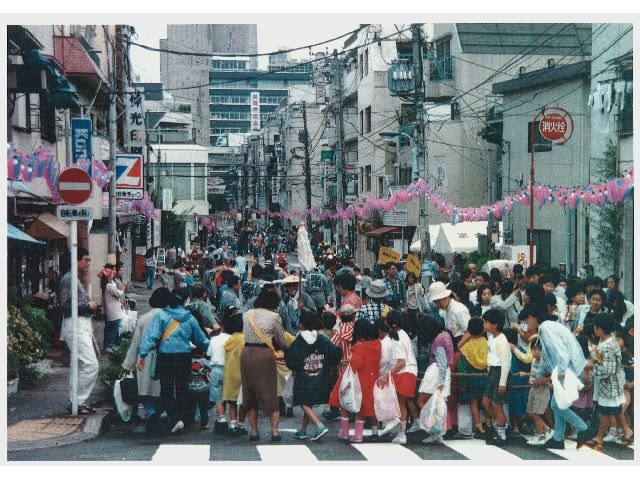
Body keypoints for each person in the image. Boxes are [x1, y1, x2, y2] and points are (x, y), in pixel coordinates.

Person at [138, 288, 210, 434]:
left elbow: (151, 337)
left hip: (166, 357)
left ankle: (176, 418)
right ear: (185, 300)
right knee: (183, 389)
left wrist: (142, 354)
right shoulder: (190, 318)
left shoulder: (162, 316)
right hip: (184, 356)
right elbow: (201, 340)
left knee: (166, 390)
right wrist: (212, 350)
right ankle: (183, 419)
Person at [241, 287, 289, 442]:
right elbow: (281, 341)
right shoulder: (274, 317)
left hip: (247, 354)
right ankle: (274, 431)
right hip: (264, 355)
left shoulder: (246, 315)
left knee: (249, 393)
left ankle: (254, 431)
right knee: (270, 392)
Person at [285, 310, 341, 441]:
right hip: (321, 377)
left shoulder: (299, 340)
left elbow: (291, 358)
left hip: (303, 377)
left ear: (302, 325)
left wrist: (295, 368)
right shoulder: (322, 339)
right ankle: (302, 430)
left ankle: (319, 425)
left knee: (302, 400)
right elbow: (336, 352)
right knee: (308, 403)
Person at [122, 288, 172, 427]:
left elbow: (135, 345)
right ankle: (162, 415)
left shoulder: (143, 319)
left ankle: (151, 414)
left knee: (146, 391)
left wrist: (127, 365)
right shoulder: (170, 318)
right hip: (166, 358)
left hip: (145, 359)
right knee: (163, 390)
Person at [59, 247, 99, 415]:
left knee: (78, 366)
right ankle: (78, 401)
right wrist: (88, 306)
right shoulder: (69, 279)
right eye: (85, 260)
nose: (88, 263)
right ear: (76, 260)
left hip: (79, 324)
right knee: (91, 365)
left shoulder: (72, 278)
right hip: (76, 325)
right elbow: (66, 304)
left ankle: (76, 402)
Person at [584, 314, 634, 449]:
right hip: (613, 384)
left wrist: (592, 368)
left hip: (609, 385)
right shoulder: (609, 341)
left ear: (600, 328)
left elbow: (608, 370)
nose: (594, 329)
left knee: (605, 412)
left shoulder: (607, 346)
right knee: (616, 409)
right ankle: (627, 431)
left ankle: (599, 437)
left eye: (595, 327)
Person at [381, 311, 419, 445]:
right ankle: (401, 431)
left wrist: (387, 375)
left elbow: (401, 362)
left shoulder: (397, 338)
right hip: (409, 371)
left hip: (403, 371)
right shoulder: (402, 334)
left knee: (399, 403)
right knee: (402, 403)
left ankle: (400, 430)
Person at [415, 314, 454, 445]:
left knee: (422, 401)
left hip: (437, 371)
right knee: (436, 404)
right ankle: (437, 431)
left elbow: (442, 361)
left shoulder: (438, 339)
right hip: (443, 372)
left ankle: (434, 430)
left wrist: (440, 382)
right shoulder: (446, 334)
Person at [344, 319, 382, 443]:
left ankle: (358, 435)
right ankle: (375, 431)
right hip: (375, 376)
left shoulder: (359, 347)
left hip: (361, 379)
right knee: (374, 405)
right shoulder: (377, 344)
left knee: (360, 407)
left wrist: (350, 358)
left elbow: (356, 364)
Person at [481, 309, 512, 445]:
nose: (484, 325)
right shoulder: (491, 338)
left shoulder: (502, 340)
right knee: (486, 402)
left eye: (486, 322)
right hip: (493, 371)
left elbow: (506, 362)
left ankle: (502, 434)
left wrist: (502, 383)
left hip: (500, 373)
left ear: (495, 324)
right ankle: (500, 425)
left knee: (497, 404)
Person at [456, 316, 489, 438]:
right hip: (484, 377)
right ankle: (489, 422)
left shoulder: (467, 346)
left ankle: (478, 426)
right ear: (483, 330)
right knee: (485, 402)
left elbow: (459, 349)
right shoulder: (486, 343)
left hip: (471, 378)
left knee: (474, 403)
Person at [522, 338, 553, 445]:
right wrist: (526, 374)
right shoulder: (534, 361)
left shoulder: (546, 363)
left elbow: (552, 377)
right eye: (534, 349)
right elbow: (533, 373)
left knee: (536, 414)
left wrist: (541, 381)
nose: (537, 352)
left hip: (542, 390)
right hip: (533, 388)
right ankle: (547, 430)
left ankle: (540, 435)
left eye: (540, 349)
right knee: (530, 412)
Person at [222, 311, 247, 436]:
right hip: (242, 373)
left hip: (229, 373)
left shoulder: (229, 340)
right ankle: (241, 424)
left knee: (232, 401)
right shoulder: (245, 339)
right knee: (243, 401)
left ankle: (232, 423)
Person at [428, 281, 470, 345]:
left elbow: (469, 332)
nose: (437, 305)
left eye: (438, 301)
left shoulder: (459, 309)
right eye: (435, 302)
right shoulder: (446, 311)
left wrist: (458, 346)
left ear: (445, 297)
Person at [101, 265, 127, 353]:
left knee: (111, 328)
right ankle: (109, 346)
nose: (113, 274)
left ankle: (108, 346)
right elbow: (118, 294)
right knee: (112, 329)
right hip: (113, 311)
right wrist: (123, 288)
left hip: (114, 310)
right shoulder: (109, 285)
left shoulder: (110, 284)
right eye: (111, 273)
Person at [405, 272, 426, 339]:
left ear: (414, 279)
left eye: (412, 278)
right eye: (409, 278)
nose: (410, 279)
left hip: (417, 306)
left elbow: (422, 294)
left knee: (416, 321)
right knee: (410, 322)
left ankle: (417, 335)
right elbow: (405, 297)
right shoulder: (406, 286)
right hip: (409, 306)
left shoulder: (418, 285)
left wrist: (422, 287)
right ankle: (412, 335)